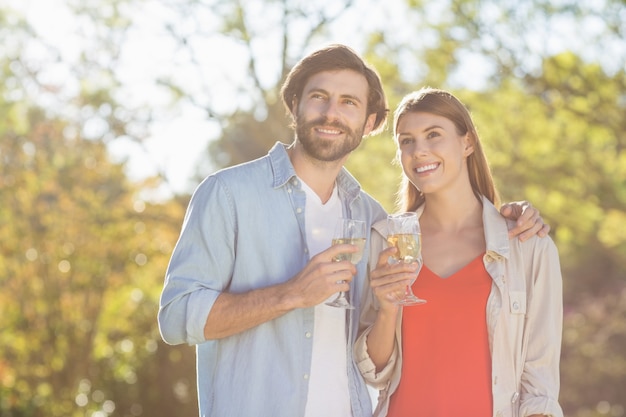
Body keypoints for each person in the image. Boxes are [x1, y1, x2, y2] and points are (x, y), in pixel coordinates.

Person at [157, 45, 548, 417]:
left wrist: (508, 216)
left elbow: (378, 357)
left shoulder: (374, 222)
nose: (331, 113)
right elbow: (176, 318)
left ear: (370, 122)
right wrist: (290, 294)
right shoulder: (229, 195)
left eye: (349, 103)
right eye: (318, 97)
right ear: (294, 105)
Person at [354, 87, 563, 417]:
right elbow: (373, 371)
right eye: (406, 141)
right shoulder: (385, 241)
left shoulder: (528, 245)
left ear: (467, 143)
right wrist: (387, 310)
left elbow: (540, 384)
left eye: (433, 135)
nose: (419, 150)